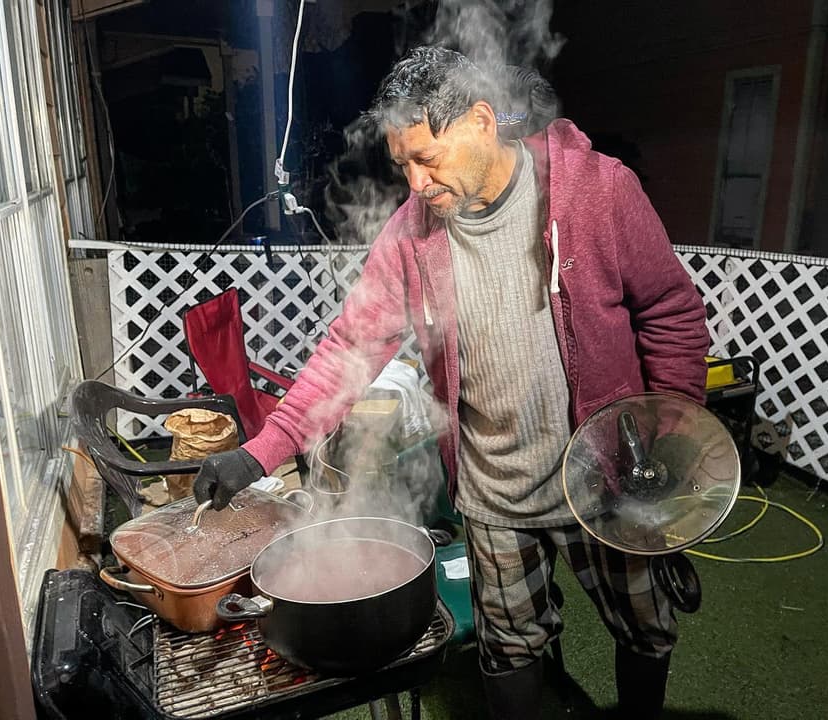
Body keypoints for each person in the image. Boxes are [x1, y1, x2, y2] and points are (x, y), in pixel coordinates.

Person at [193, 46, 709, 719]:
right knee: (511, 647)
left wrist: (670, 426)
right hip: (494, 492)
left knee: (646, 625)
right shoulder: (412, 238)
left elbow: (671, 313)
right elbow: (347, 352)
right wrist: (258, 451)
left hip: (608, 477)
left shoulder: (599, 192)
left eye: (425, 160)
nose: (413, 183)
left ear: (481, 121)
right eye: (401, 163)